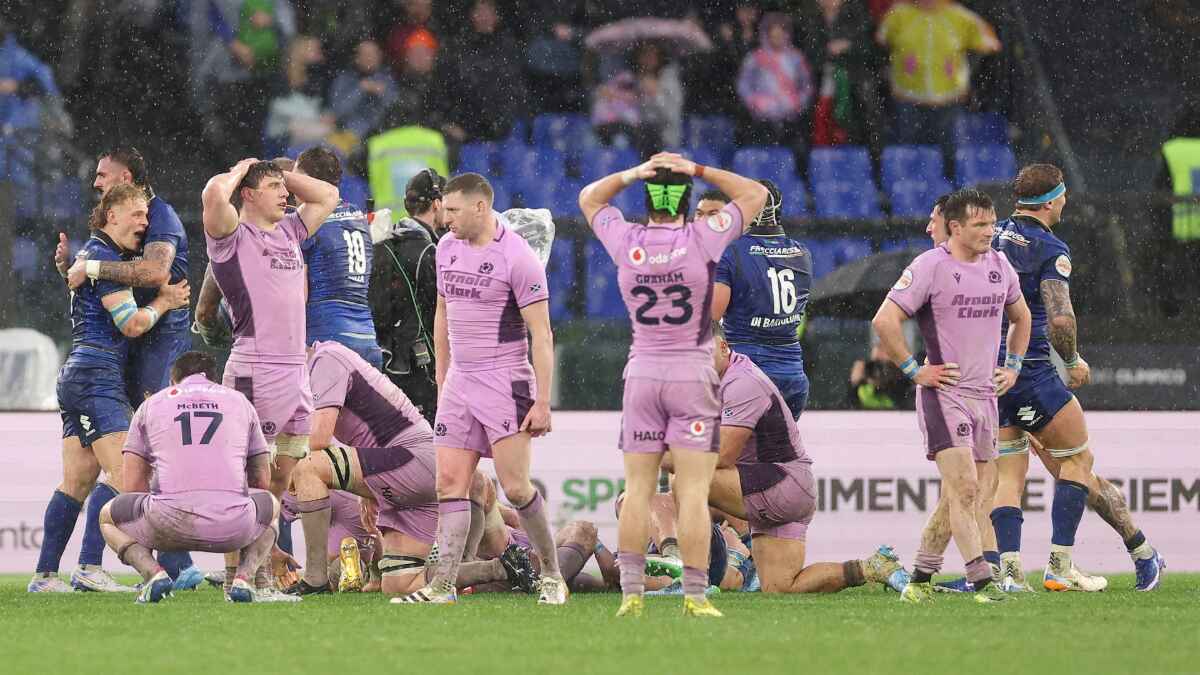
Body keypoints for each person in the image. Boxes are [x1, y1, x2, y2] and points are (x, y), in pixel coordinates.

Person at [578, 151, 769, 618]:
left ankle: (631, 595)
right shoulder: (702, 238)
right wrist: (699, 170)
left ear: (647, 204)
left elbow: (588, 198)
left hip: (642, 373)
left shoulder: (628, 241)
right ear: (686, 206)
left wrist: (633, 173)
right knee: (691, 492)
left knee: (638, 490)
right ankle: (696, 596)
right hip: (692, 374)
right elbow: (757, 194)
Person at [990, 164, 1165, 592]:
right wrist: (1072, 360)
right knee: (1078, 463)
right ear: (1051, 201)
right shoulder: (1050, 249)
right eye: (1063, 195)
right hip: (1029, 371)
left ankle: (1010, 573)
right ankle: (1060, 564)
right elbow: (1060, 319)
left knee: (1010, 476)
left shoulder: (990, 235)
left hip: (990, 376)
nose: (1066, 201)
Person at [394, 173, 564, 605]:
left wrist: (543, 401)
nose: (444, 218)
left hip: (504, 381)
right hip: (460, 383)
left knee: (517, 488)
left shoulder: (517, 256)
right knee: (449, 483)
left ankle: (551, 575)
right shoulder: (446, 249)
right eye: (442, 209)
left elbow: (541, 336)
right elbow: (442, 312)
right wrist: (442, 376)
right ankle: (442, 586)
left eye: (452, 210)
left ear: (480, 208)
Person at [871, 188, 1031, 604]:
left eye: (992, 224)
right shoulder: (930, 266)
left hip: (986, 396)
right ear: (955, 227)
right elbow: (885, 320)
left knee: (967, 493)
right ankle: (982, 581)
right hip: (945, 395)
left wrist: (1012, 366)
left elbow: (1022, 316)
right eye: (980, 225)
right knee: (963, 488)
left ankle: (920, 580)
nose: (989, 232)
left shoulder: (1000, 264)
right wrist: (913, 370)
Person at [29, 184, 190, 593]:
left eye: (146, 214)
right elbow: (131, 324)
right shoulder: (103, 256)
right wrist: (165, 302)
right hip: (95, 377)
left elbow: (80, 288)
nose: (144, 221)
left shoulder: (95, 256)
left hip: (82, 375)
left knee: (78, 483)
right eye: (136, 213)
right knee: (127, 474)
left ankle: (46, 576)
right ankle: (95, 566)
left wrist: (65, 267)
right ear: (111, 215)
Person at [703, 322, 908, 593]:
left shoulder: (740, 381)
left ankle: (692, 577)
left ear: (723, 346)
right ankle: (872, 566)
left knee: (688, 479)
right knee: (781, 587)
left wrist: (658, 453)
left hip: (779, 485)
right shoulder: (724, 378)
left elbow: (723, 456)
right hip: (788, 485)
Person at [97, 352, 282, 604]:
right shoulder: (240, 402)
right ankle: (244, 578)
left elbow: (133, 486)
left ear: (174, 380)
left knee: (107, 517)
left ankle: (153, 574)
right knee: (271, 504)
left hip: (166, 522)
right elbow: (261, 479)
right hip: (233, 527)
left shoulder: (152, 405)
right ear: (215, 381)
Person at [712, 179, 812, 419]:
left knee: (726, 456)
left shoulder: (731, 252)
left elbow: (711, 317)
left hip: (748, 372)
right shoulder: (802, 252)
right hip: (793, 374)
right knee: (777, 456)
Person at [296, 146, 383, 369]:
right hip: (367, 340)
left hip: (326, 340)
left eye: (296, 180)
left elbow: (298, 295)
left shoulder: (306, 223)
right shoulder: (358, 215)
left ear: (309, 182)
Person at [370, 168, 445, 423]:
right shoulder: (429, 250)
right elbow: (438, 312)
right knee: (432, 449)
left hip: (390, 359)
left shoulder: (389, 241)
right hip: (422, 365)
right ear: (437, 204)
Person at [876, 0, 1000, 151]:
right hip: (908, 96)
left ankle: (952, 173)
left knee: (951, 149)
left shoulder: (959, 15)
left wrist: (962, 66)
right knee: (908, 150)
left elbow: (990, 43)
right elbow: (880, 40)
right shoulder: (898, 13)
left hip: (948, 97)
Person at [736, 13, 814, 151]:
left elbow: (807, 85)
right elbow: (743, 85)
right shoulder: (755, 58)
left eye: (780, 35)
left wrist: (798, 103)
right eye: (773, 36)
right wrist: (754, 102)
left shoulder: (796, 58)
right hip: (761, 118)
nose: (777, 39)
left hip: (791, 118)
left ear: (787, 35)